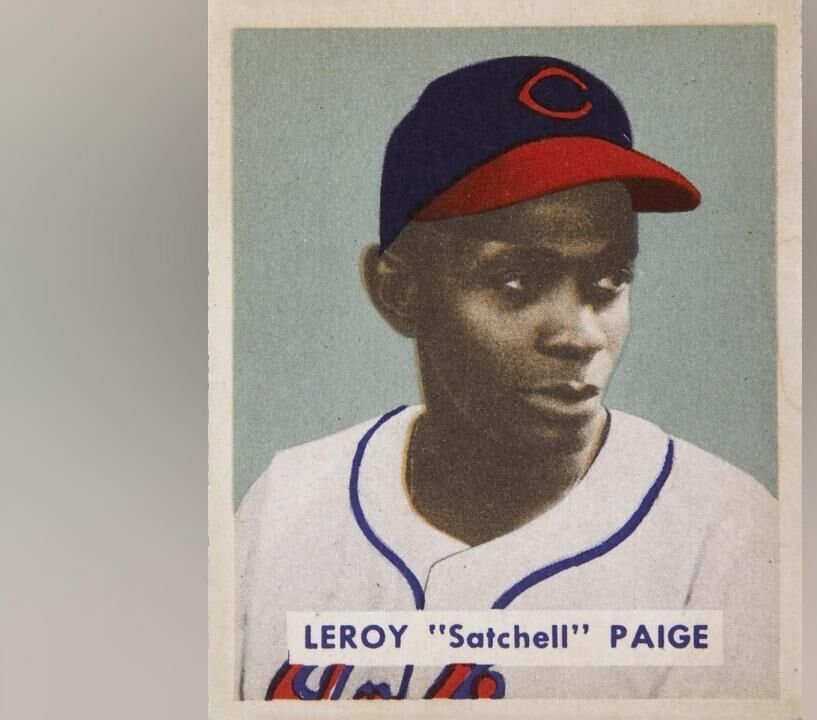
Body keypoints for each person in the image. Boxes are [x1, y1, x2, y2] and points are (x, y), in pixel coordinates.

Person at [236, 56, 777, 701]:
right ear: (398, 291)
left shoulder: (726, 536)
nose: (580, 334)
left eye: (607, 283)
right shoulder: (290, 500)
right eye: (518, 282)